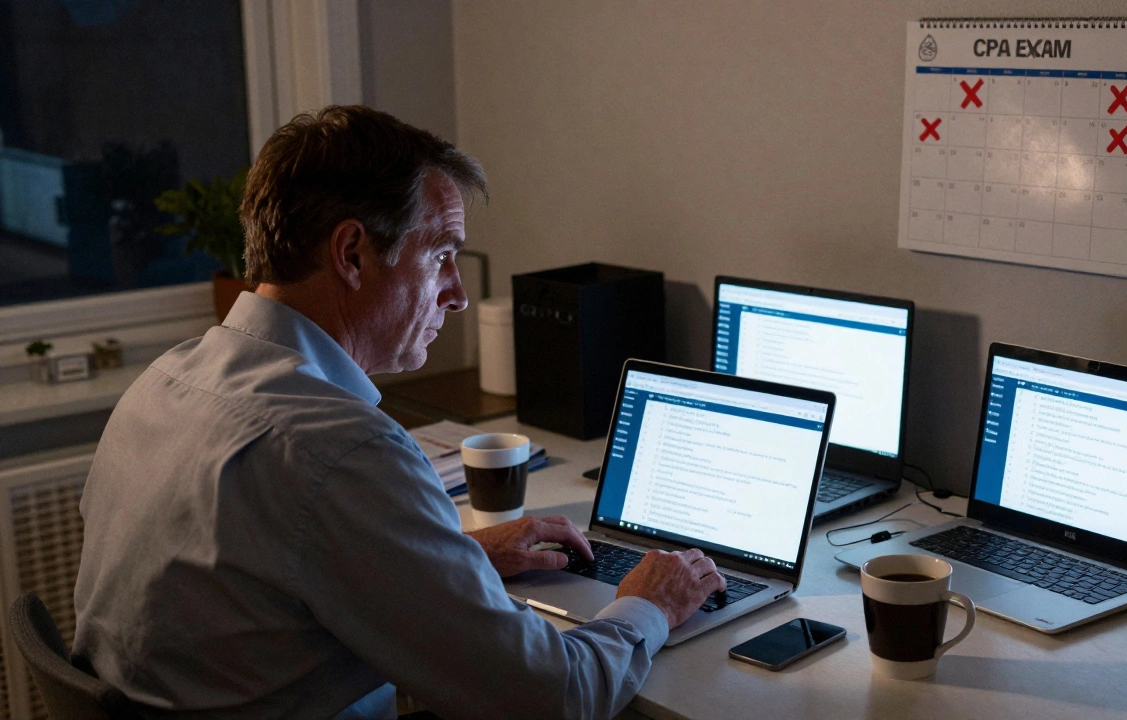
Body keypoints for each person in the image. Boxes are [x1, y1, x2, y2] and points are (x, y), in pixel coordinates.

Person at [73, 105, 726, 719]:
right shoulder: (339, 449)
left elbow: (259, 575)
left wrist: (445, 561)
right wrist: (648, 606)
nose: (460, 295)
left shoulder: (166, 382)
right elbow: (553, 699)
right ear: (352, 253)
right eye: (442, 255)